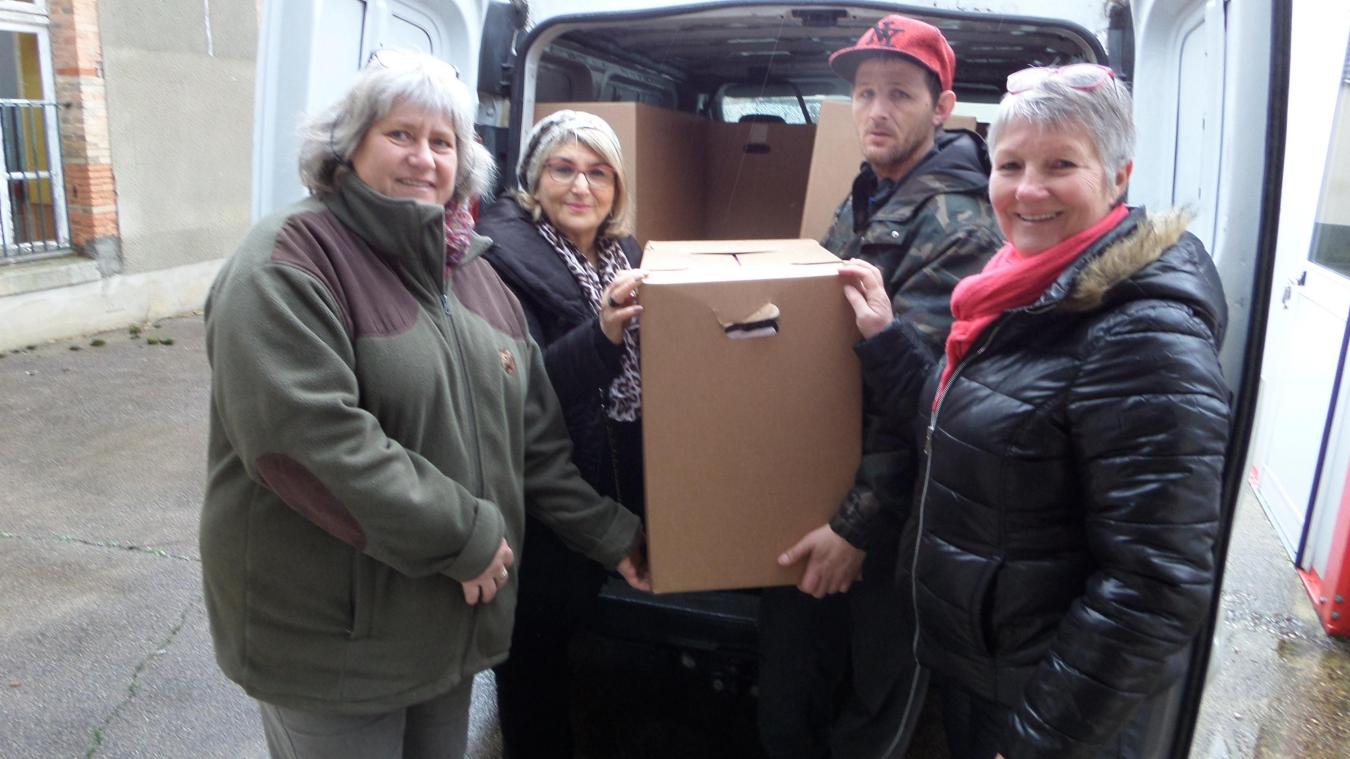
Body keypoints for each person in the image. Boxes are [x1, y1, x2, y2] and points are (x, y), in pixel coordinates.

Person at [199, 51, 648, 759]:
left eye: (442, 142)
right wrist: (464, 536)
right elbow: (306, 442)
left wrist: (614, 535)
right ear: (346, 145)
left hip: (446, 618)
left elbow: (533, 443)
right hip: (334, 640)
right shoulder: (288, 260)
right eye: (400, 134)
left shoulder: (473, 276)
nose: (423, 157)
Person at [838, 63, 1230, 758]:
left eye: (1061, 164)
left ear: (1118, 176)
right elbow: (970, 427)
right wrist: (887, 339)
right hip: (989, 672)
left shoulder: (1143, 335)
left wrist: (1035, 740)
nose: (1027, 190)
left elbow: (1154, 588)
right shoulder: (1019, 291)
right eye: (1010, 164)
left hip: (1047, 707)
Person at [759, 15, 1002, 758]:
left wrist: (857, 528)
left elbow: (914, 404)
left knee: (875, 712)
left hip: (894, 528)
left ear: (942, 106)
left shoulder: (960, 220)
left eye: (899, 93)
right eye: (865, 93)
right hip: (823, 488)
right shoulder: (872, 192)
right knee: (790, 687)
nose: (876, 110)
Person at [477, 110, 645, 758]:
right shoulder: (502, 266)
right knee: (533, 653)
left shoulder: (623, 252)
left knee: (594, 645)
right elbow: (523, 389)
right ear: (533, 180)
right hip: (548, 500)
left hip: (618, 476)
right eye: (563, 169)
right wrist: (601, 335)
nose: (581, 186)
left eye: (598, 172)